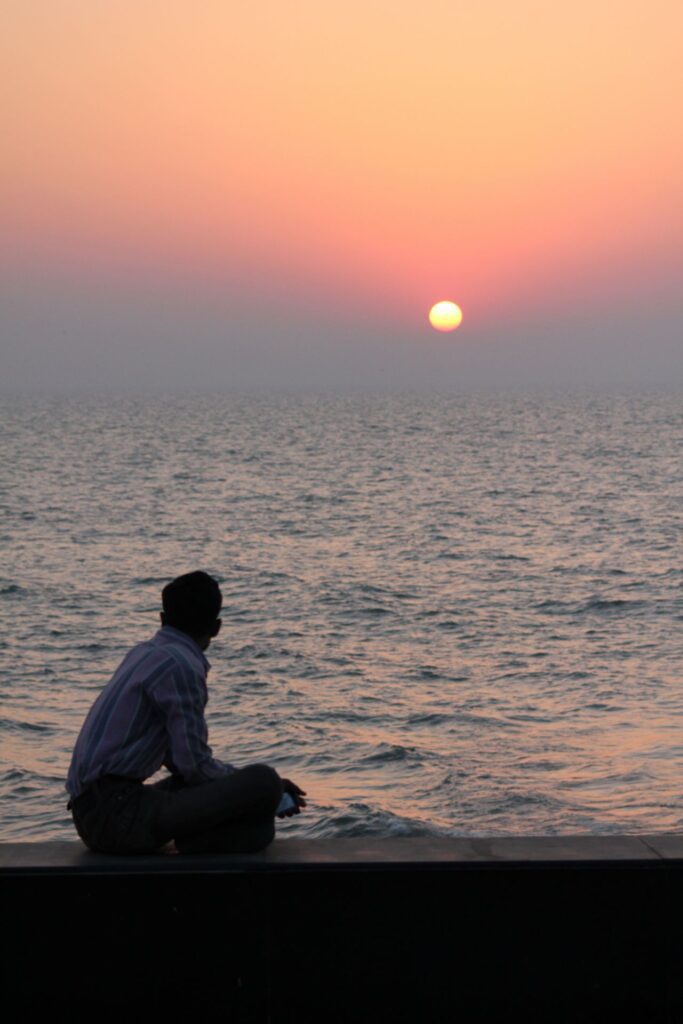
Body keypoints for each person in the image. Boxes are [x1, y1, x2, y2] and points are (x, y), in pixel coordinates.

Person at [65, 571, 306, 855]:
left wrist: (235, 788)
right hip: (117, 817)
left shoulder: (144, 654)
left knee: (211, 791)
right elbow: (195, 765)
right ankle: (201, 840)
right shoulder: (181, 666)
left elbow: (180, 764)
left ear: (162, 619)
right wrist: (271, 790)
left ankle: (207, 834)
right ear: (216, 628)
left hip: (93, 812)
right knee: (263, 781)